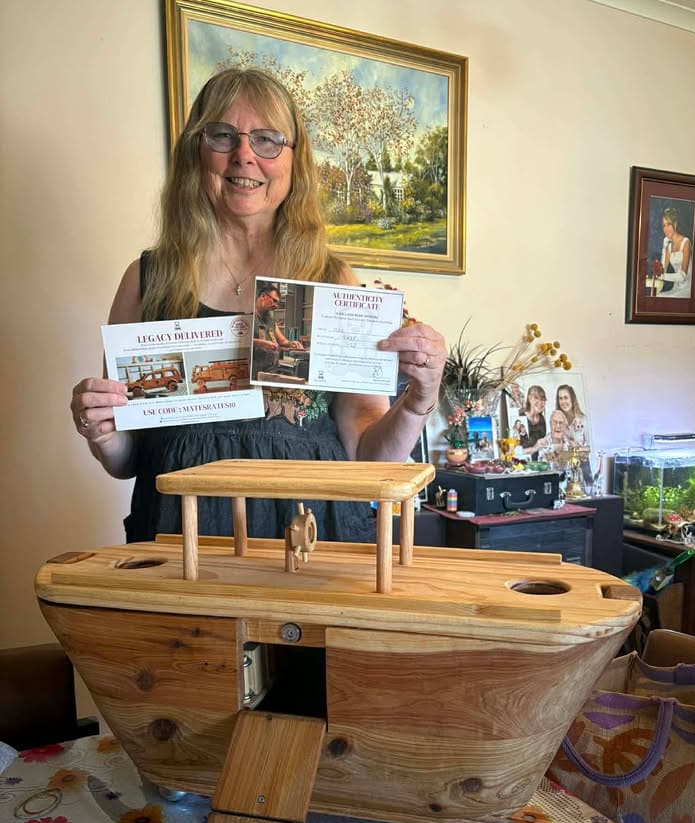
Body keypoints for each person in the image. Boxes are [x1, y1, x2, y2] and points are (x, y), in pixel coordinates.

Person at [70, 68, 446, 544]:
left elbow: (369, 457)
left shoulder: (330, 281)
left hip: (312, 540)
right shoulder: (149, 280)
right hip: (182, 539)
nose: (244, 155)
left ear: (294, 160)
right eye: (222, 135)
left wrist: (418, 400)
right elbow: (128, 458)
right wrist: (104, 432)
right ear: (196, 151)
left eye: (267, 139)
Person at [657, 207, 692, 298]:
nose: (666, 229)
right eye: (664, 225)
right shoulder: (668, 246)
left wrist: (663, 276)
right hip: (676, 287)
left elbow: (682, 276)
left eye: (668, 224)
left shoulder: (686, 242)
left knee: (661, 298)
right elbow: (662, 270)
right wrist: (664, 247)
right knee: (658, 296)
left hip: (689, 288)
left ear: (675, 224)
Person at [521, 385, 547, 460]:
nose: (540, 402)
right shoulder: (520, 416)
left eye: (542, 399)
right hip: (521, 463)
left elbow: (541, 447)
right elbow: (513, 451)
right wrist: (534, 448)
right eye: (536, 398)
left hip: (536, 463)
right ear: (529, 399)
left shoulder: (542, 419)